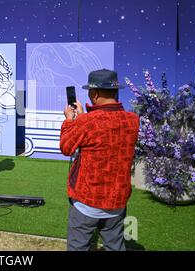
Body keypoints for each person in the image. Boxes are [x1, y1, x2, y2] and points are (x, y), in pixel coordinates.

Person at [59, 69, 140, 251]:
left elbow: (66, 147)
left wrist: (70, 121)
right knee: (115, 246)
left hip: (86, 202)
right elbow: (107, 132)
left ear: (94, 94)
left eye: (89, 91)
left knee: (78, 247)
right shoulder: (133, 120)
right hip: (117, 202)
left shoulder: (87, 122)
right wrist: (82, 118)